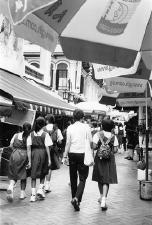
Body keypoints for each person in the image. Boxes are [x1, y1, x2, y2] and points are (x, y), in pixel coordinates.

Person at [62, 109, 92, 211]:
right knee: (83, 178)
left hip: (72, 154)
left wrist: (64, 156)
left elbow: (68, 143)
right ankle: (77, 199)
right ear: (83, 117)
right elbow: (91, 141)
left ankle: (74, 198)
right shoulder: (86, 127)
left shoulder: (70, 127)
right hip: (83, 154)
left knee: (73, 178)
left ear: (73, 117)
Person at [92, 119, 118, 211]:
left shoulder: (97, 134)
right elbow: (115, 150)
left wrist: (101, 146)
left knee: (100, 178)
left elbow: (94, 147)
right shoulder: (113, 137)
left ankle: (101, 196)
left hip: (99, 159)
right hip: (109, 160)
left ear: (102, 126)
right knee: (106, 180)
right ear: (111, 128)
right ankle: (103, 200)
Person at [27, 117, 52, 202]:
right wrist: (49, 159)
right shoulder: (45, 134)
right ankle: (40, 189)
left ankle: (33, 195)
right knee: (43, 172)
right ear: (43, 125)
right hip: (43, 154)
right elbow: (47, 147)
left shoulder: (31, 134)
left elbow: (28, 148)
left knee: (33, 174)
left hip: (34, 154)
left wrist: (29, 160)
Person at [6, 122, 31, 202]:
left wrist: (15, 151)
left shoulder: (16, 135)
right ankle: (22, 194)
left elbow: (10, 145)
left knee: (13, 173)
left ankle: (11, 185)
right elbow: (29, 150)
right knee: (23, 174)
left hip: (14, 154)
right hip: (23, 155)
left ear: (22, 128)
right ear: (29, 129)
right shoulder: (29, 137)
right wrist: (30, 161)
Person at [43, 114, 63, 193]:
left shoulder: (43, 128)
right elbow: (60, 141)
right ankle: (47, 184)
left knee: (44, 165)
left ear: (47, 120)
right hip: (53, 149)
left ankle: (43, 184)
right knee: (49, 167)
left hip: (43, 148)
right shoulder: (57, 129)